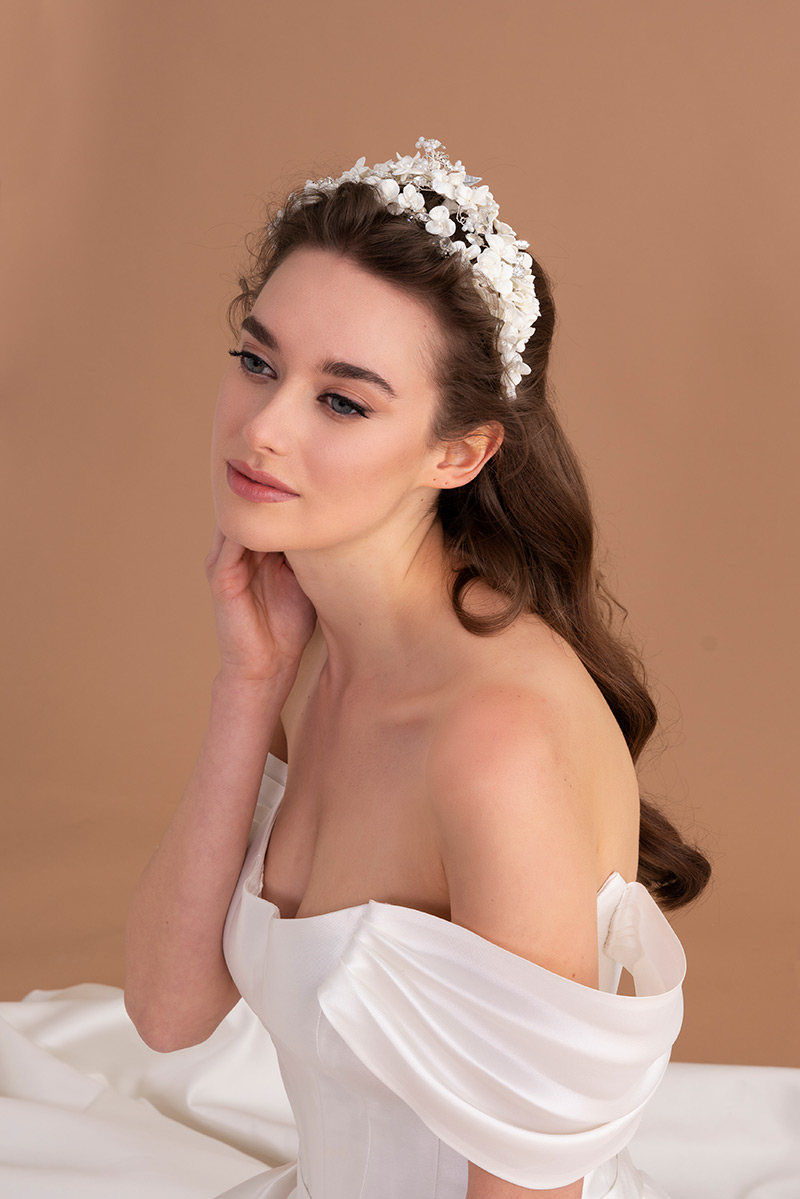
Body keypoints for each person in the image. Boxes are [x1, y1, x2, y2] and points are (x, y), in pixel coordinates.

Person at [124, 136, 710, 1199]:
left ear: (458, 453)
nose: (263, 428)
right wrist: (247, 687)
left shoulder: (494, 744)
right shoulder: (312, 648)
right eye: (257, 363)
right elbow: (169, 1012)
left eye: (342, 401)